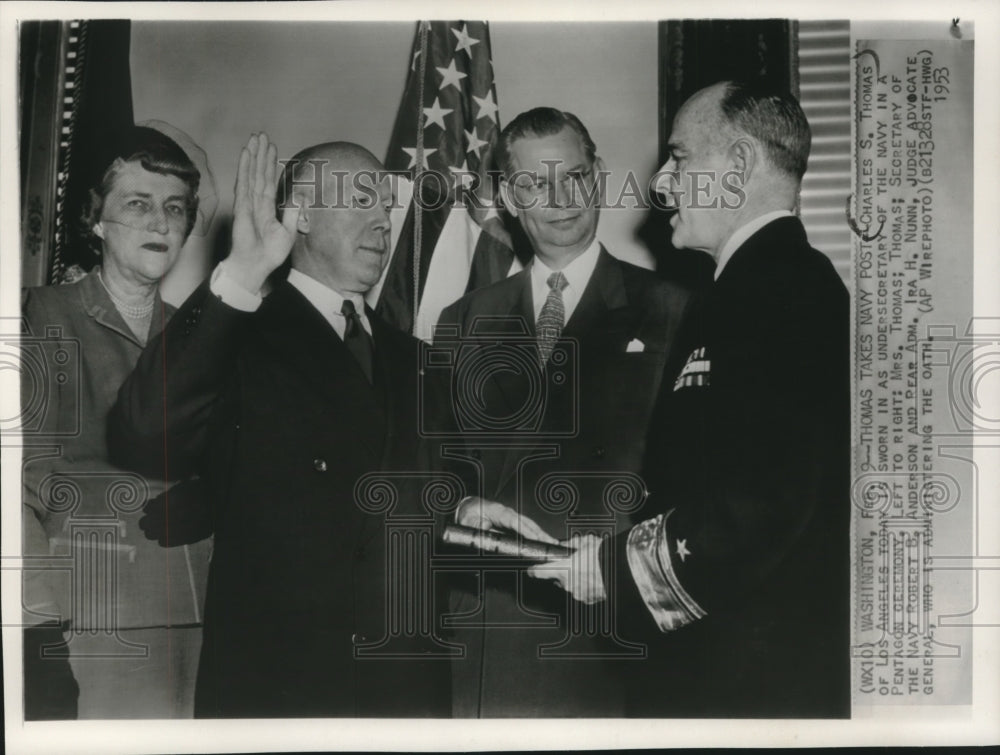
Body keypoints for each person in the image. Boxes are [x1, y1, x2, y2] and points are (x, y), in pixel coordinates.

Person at [525, 81, 851, 717]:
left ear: (738, 165)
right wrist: (579, 555)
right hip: (731, 669)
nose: (663, 185)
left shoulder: (780, 293)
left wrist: (610, 570)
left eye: (679, 158)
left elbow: (759, 502)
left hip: (750, 687)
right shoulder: (748, 292)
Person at [107, 134, 451, 717]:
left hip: (404, 688)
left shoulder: (417, 360)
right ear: (303, 217)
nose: (383, 221)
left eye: (386, 206)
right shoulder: (239, 331)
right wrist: (242, 271)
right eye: (360, 200)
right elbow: (145, 433)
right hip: (276, 686)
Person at [433, 107, 690, 717]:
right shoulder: (463, 320)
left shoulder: (672, 308)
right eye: (533, 185)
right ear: (507, 197)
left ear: (598, 174)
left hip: (606, 626)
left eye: (573, 176)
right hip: (487, 629)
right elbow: (439, 467)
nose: (558, 200)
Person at [21, 125, 212, 719]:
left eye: (175, 208)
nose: (160, 223)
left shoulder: (205, 334)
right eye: (138, 203)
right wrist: (35, 620)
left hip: (199, 605)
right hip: (91, 611)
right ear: (96, 220)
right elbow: (19, 481)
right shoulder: (40, 315)